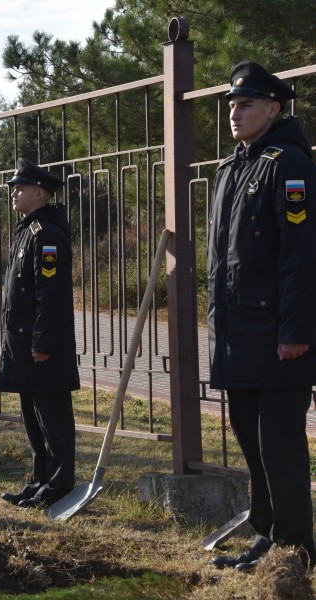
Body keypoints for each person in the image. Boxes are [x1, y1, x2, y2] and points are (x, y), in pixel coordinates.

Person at [207, 61, 316, 572]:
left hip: (278, 336)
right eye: (232, 104)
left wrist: (294, 330)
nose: (235, 112)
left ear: (274, 108)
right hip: (240, 334)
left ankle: (295, 549)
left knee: (280, 446)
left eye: (245, 104)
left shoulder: (287, 162)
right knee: (250, 440)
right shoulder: (235, 167)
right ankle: (268, 536)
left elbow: (301, 255)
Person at [0, 158, 78, 509]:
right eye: (13, 187)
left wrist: (42, 342)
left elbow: (51, 295)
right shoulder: (28, 230)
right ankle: (40, 479)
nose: (14, 193)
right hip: (23, 344)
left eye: (21, 188)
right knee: (33, 416)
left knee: (52, 417)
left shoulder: (48, 236)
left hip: (42, 346)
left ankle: (59, 484)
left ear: (40, 193)